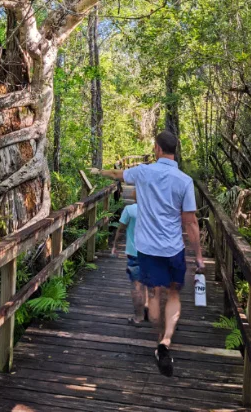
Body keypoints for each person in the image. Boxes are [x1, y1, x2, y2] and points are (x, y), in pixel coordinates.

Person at [90, 130, 205, 377]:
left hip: (147, 249)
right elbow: (190, 222)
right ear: (175, 151)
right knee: (173, 293)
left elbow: (119, 174)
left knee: (154, 294)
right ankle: (166, 342)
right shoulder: (185, 181)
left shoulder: (143, 171)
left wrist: (100, 172)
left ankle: (156, 334)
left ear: (157, 149)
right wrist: (198, 256)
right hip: (173, 248)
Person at [111, 195, 149, 326]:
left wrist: (115, 245)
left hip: (135, 253)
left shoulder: (129, 209)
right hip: (153, 253)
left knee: (137, 286)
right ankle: (148, 309)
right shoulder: (154, 209)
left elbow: (120, 228)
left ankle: (139, 317)